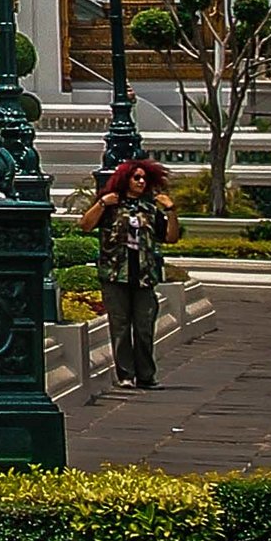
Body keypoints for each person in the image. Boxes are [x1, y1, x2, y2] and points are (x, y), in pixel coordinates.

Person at [80, 155, 174, 387]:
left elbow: (171, 237)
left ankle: (146, 374)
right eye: (136, 178)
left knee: (144, 327)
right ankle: (126, 375)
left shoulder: (150, 209)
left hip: (143, 275)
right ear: (126, 179)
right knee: (120, 327)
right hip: (115, 274)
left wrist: (171, 210)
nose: (141, 182)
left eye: (144, 178)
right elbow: (85, 225)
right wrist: (102, 203)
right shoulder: (111, 205)